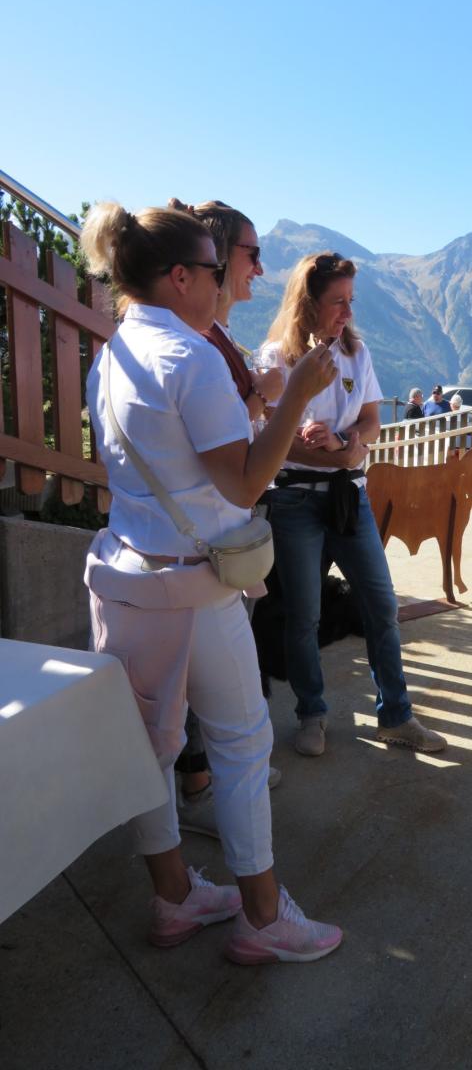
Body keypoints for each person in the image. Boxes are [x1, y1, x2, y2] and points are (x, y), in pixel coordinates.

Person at [81, 201, 343, 964]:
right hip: (193, 588)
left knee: (149, 749)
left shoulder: (115, 352)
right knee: (242, 742)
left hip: (126, 576)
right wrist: (297, 394)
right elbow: (244, 483)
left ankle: (174, 898)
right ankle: (263, 917)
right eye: (212, 269)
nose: (221, 281)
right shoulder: (190, 358)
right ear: (180, 277)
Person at [258, 252, 447, 757]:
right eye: (337, 301)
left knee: (381, 605)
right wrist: (333, 452)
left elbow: (371, 422)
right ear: (308, 303)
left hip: (349, 495)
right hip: (294, 498)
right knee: (304, 613)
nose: (347, 312)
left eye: (351, 301)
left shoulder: (355, 353)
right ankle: (312, 715)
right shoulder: (276, 357)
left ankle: (396, 716)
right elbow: (271, 438)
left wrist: (342, 443)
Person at [165, 199, 284, 838]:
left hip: (202, 539)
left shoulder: (206, 340)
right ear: (211, 259)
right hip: (207, 543)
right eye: (250, 254)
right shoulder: (201, 346)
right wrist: (281, 395)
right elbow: (233, 461)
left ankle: (199, 781)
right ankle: (203, 783)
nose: (259, 268)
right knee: (218, 696)